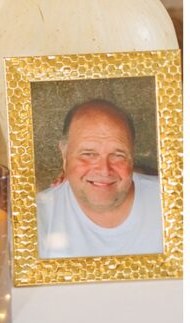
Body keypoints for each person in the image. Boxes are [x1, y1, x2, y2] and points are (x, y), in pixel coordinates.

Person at [36, 99, 162, 258]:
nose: (104, 170)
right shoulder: (34, 218)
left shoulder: (174, 202)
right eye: (88, 154)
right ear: (64, 154)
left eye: (118, 155)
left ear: (132, 157)